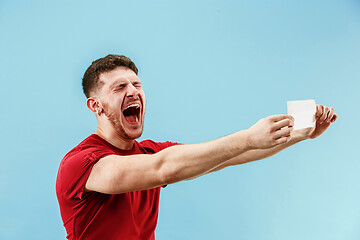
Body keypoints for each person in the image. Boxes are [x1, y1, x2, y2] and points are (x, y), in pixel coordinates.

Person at [56, 54, 338, 240]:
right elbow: (163, 169)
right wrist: (248, 137)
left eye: (136, 84)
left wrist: (302, 133)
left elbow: (230, 156)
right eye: (119, 87)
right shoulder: (82, 163)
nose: (133, 91)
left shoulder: (150, 151)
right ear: (96, 106)